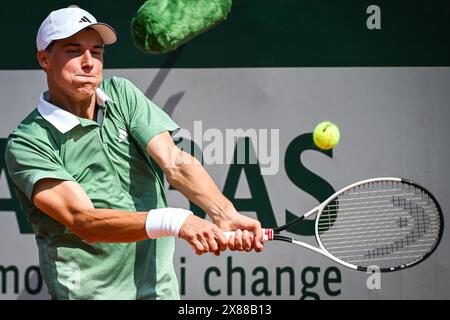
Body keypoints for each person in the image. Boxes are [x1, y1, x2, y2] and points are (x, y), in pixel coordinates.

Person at [5, 7, 263, 300]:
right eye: (74, 51)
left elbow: (175, 162)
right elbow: (83, 220)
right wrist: (175, 220)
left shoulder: (122, 94)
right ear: (44, 59)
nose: (89, 62)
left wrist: (224, 213)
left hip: (159, 292)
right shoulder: (28, 141)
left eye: (97, 52)